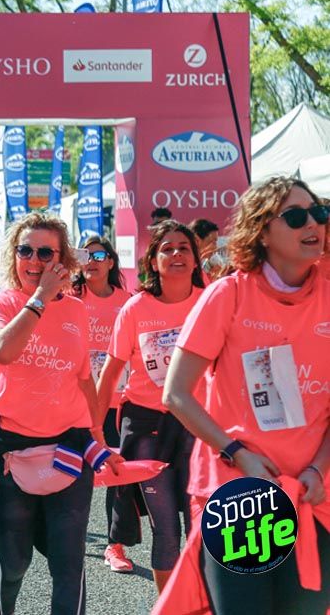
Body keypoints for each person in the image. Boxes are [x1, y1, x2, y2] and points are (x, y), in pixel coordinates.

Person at [161, 177, 330, 614]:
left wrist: (317, 468)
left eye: (319, 213)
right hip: (241, 497)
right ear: (262, 231)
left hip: (313, 497)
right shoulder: (229, 295)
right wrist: (238, 453)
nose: (313, 223)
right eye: (295, 217)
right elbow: (177, 394)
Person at [0, 211, 115, 615]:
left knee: (69, 563)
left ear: (63, 261)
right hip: (12, 451)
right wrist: (38, 299)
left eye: (44, 252)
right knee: (16, 560)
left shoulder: (75, 311)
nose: (34, 260)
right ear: (13, 255)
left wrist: (98, 436)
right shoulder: (0, 303)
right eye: (25, 250)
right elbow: (3, 351)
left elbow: (84, 379)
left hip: (69, 450)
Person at [95, 220, 204, 594]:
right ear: (152, 262)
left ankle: (204, 602)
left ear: (195, 259)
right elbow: (109, 374)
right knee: (167, 530)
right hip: (146, 426)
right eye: (167, 249)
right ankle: (170, 606)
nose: (176, 254)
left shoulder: (210, 303)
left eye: (183, 248)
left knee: (203, 525)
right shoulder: (136, 308)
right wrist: (94, 434)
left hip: (198, 425)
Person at [68, 237, 137, 574]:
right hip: (74, 400)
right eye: (85, 255)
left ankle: (115, 544)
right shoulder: (69, 297)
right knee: (72, 470)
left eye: (99, 254)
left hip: (116, 401)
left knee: (117, 471)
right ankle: (69, 535)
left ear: (111, 262)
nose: (91, 260)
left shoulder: (129, 302)